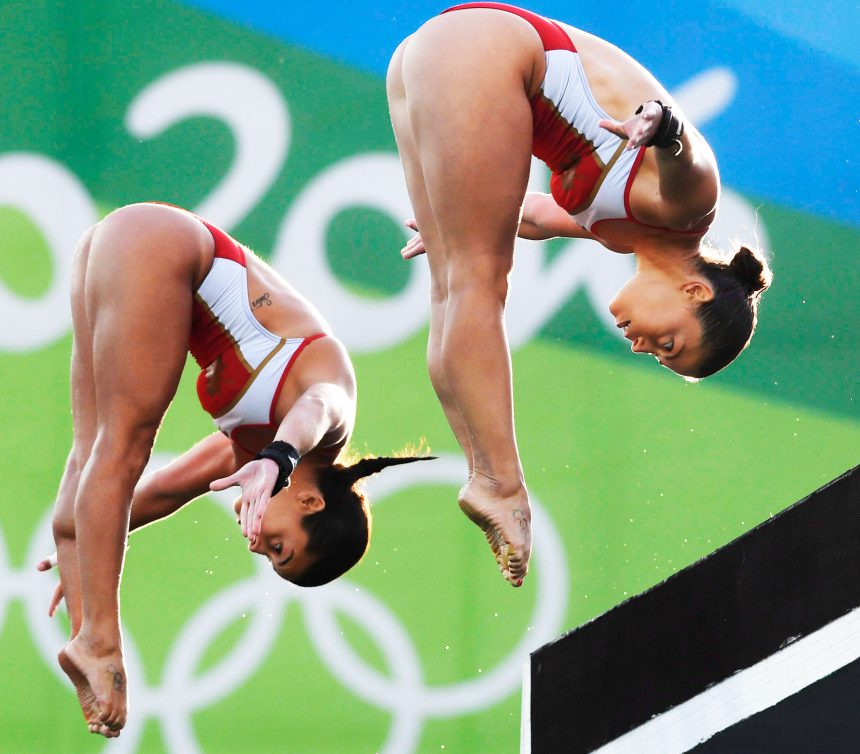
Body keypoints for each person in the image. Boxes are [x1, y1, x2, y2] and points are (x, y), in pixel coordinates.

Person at [385, 2, 772, 588]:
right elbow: (685, 150)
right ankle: (503, 485)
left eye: (658, 356)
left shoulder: (624, 236)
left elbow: (539, 216)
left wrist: (459, 209)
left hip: (432, 57)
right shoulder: (690, 205)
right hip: (493, 49)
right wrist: (661, 127)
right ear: (694, 288)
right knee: (475, 283)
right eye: (669, 343)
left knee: (451, 288)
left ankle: (482, 474)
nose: (645, 348)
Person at [46, 202, 425, 738]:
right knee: (120, 450)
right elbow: (316, 406)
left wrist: (92, 547)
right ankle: (101, 644)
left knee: (90, 466)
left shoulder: (248, 452)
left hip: (115, 248)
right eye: (278, 549)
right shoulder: (325, 423)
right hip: (161, 244)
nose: (256, 548)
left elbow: (159, 495)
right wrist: (277, 461)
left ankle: (86, 634)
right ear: (311, 502)